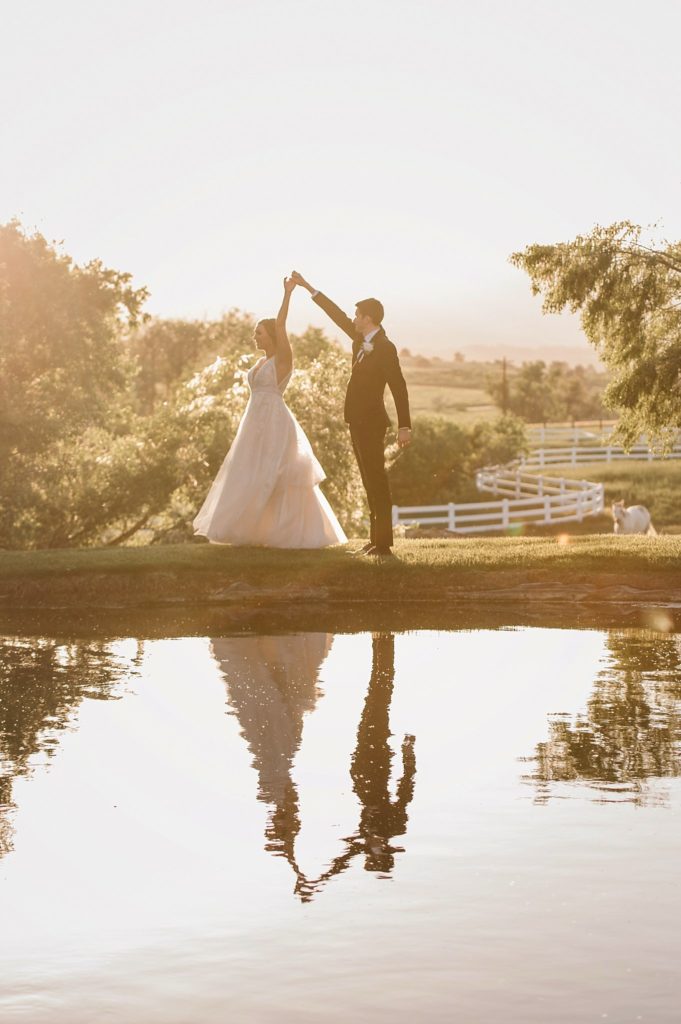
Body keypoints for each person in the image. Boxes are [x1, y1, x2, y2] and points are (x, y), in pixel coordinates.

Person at [193, 277, 347, 548]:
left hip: (274, 422)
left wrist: (287, 294)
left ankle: (286, 533)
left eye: (259, 332)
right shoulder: (260, 362)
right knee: (248, 472)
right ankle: (250, 530)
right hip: (253, 422)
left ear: (272, 336)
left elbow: (280, 324)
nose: (254, 336)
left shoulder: (283, 359)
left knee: (275, 474)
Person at [291, 271, 411, 557]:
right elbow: (336, 314)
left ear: (369, 318)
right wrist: (308, 287)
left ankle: (384, 544)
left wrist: (404, 426)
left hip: (372, 423)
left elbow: (399, 387)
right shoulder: (360, 341)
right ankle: (375, 539)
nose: (353, 319)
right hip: (355, 421)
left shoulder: (384, 347)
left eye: (358, 315)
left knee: (377, 479)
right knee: (368, 479)